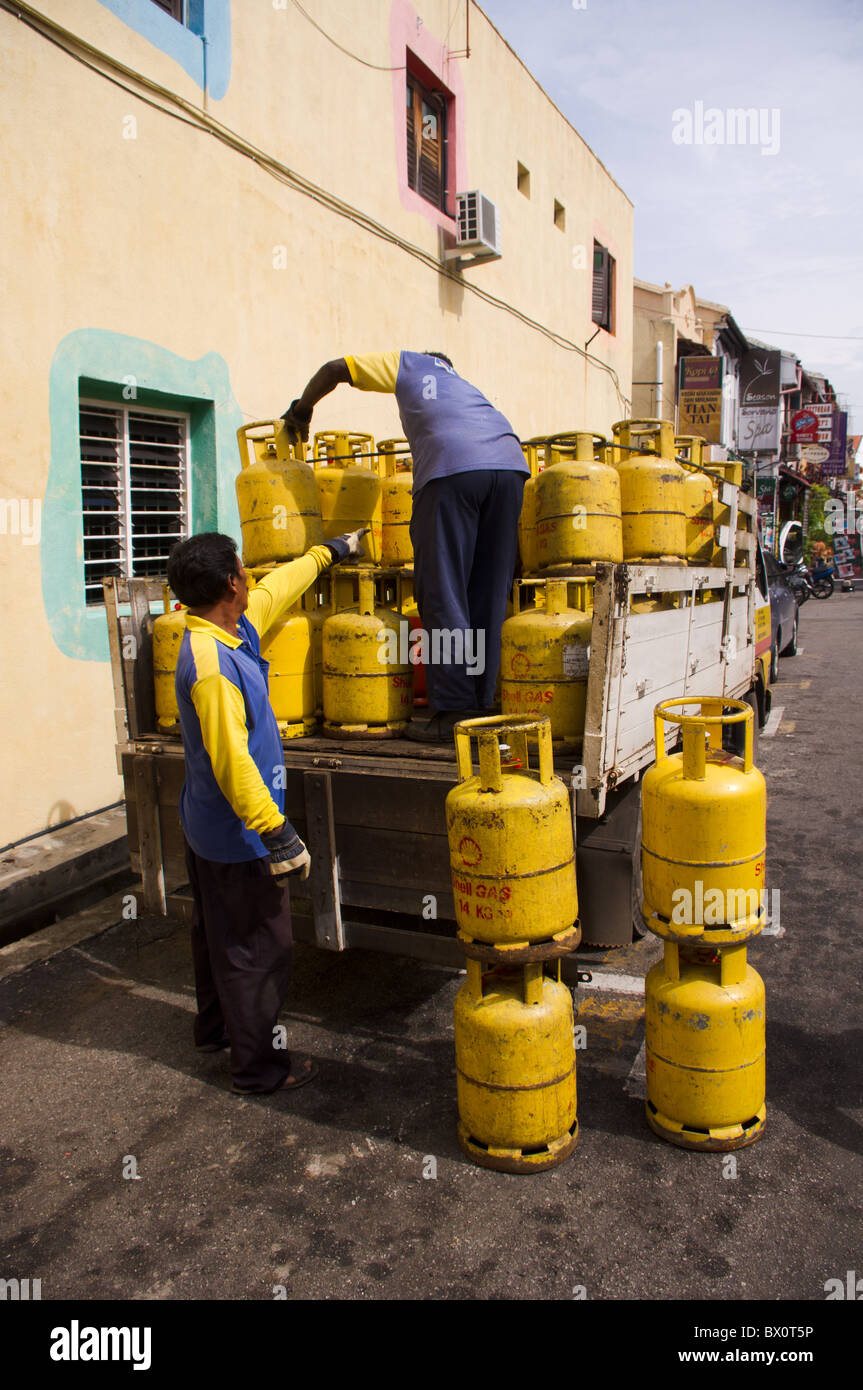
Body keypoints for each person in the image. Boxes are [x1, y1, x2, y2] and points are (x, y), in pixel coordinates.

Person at [167, 527, 365, 1094]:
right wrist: (276, 831)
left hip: (210, 826)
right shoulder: (212, 666)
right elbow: (232, 761)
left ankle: (215, 1030)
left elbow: (279, 587)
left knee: (218, 936)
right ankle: (258, 1070)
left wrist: (331, 552)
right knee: (259, 949)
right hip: (237, 835)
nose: (251, 574)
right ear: (232, 583)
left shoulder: (231, 628)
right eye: (243, 568)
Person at [282, 351, 529, 742]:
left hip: (452, 467)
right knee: (487, 594)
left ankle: (453, 711)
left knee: (443, 591)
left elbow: (335, 369)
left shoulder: (410, 363)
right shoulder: (463, 386)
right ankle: (481, 705)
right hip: (510, 467)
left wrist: (302, 410)